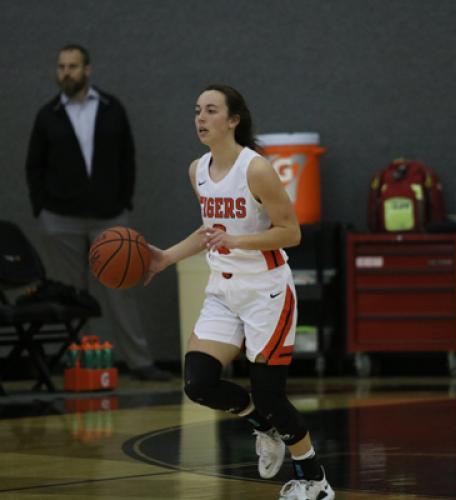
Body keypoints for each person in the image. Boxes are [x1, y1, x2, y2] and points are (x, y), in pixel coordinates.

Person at [145, 84, 334, 499]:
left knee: (270, 394)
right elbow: (210, 233)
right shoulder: (196, 170)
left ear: (233, 120)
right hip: (223, 291)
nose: (200, 118)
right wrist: (166, 258)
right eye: (197, 110)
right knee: (199, 382)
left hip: (266, 292)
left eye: (211, 110)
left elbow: (291, 232)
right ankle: (262, 427)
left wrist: (237, 242)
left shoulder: (256, 169)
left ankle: (316, 482)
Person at [25, 44, 170, 381]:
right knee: (69, 295)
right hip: (60, 218)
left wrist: (123, 201)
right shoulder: (48, 115)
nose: (66, 73)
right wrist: (42, 209)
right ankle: (73, 361)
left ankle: (139, 361)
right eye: (61, 66)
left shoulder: (111, 108)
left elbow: (127, 158)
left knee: (122, 290)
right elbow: (34, 166)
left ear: (87, 70)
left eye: (73, 66)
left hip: (108, 215)